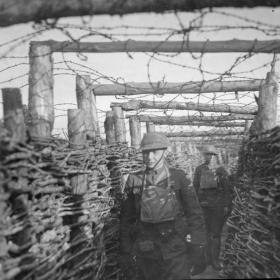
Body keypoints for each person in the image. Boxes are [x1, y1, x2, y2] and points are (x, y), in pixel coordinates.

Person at [119, 132, 206, 280]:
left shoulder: (179, 177)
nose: (150, 157)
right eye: (146, 152)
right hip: (146, 249)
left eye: (155, 152)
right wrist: (125, 250)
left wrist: (197, 243)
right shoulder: (134, 179)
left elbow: (194, 212)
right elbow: (126, 218)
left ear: (164, 152)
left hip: (175, 247)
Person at [193, 145, 231, 271]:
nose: (208, 156)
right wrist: (197, 203)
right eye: (206, 154)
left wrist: (226, 205)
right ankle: (206, 260)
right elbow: (194, 187)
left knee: (215, 234)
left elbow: (227, 190)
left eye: (211, 154)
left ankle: (215, 260)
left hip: (217, 207)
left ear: (215, 155)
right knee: (205, 233)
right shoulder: (199, 169)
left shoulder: (221, 170)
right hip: (204, 206)